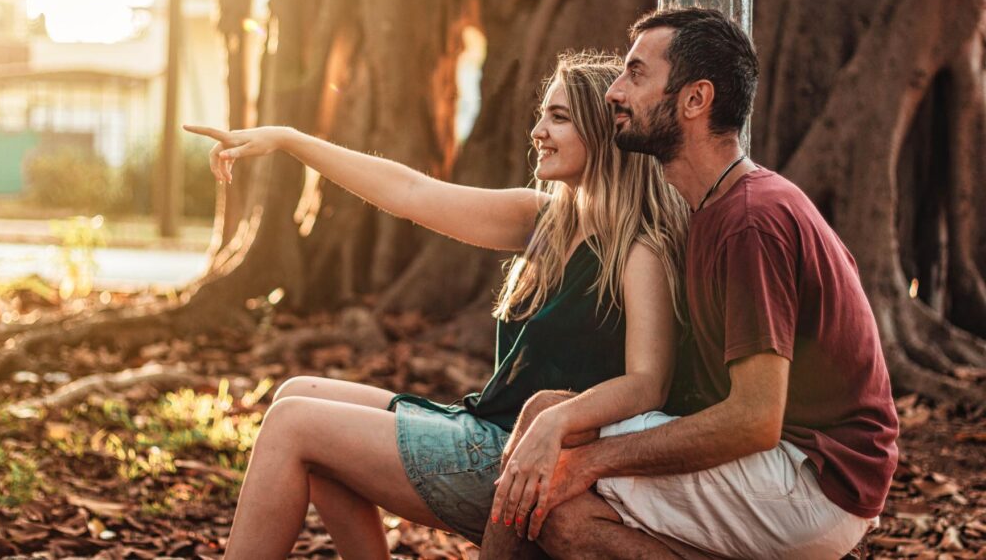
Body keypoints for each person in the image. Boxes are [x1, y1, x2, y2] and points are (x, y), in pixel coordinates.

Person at [184, 50, 690, 559]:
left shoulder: (637, 249)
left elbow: (649, 382)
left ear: (605, 135)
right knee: (298, 392)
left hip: (521, 461)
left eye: (558, 118)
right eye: (543, 114)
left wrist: (553, 423)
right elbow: (411, 192)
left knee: (295, 425)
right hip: (486, 430)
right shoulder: (547, 221)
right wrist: (290, 141)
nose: (538, 131)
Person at [483, 8, 900, 560]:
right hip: (789, 470)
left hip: (815, 482)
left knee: (554, 451)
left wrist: (588, 461)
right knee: (567, 519)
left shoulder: (752, 220)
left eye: (635, 74)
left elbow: (754, 420)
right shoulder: (712, 209)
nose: (613, 93)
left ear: (695, 100)